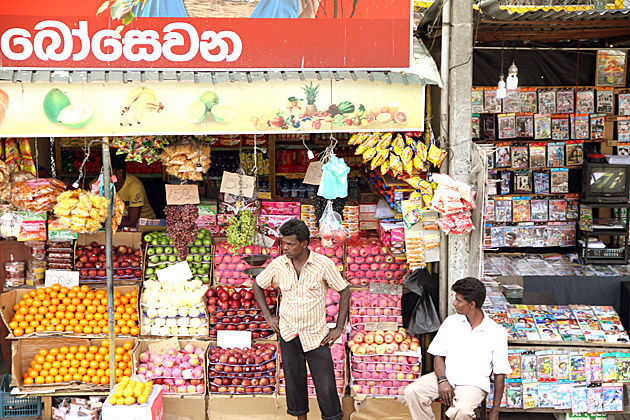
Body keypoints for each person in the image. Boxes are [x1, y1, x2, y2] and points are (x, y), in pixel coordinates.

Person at [253, 219, 350, 420]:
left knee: (326, 386)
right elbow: (258, 285)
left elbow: (344, 290)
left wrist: (339, 327)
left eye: (291, 244)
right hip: (288, 333)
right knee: (294, 384)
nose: (285, 248)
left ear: (304, 244)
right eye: (284, 243)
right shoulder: (278, 264)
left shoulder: (323, 264)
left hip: (316, 336)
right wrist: (268, 317)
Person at [404, 277, 511, 420]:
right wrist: (442, 380)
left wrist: (495, 412)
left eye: (459, 300)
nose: (454, 303)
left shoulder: (496, 332)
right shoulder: (451, 322)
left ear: (472, 304)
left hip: (473, 384)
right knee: (413, 391)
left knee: (463, 411)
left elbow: (500, 373)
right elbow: (438, 355)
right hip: (447, 376)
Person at [110, 154, 156, 228]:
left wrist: (105, 224)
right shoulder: (99, 183)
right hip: (120, 225)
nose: (104, 177)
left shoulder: (134, 186)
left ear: (119, 173)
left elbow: (133, 222)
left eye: (108, 173)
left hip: (146, 226)